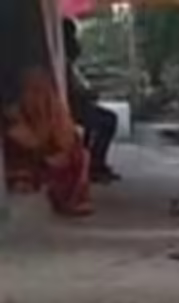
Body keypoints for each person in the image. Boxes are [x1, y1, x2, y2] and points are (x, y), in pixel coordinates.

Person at [3, 67, 92, 216]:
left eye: (40, 91)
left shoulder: (56, 112)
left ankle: (72, 199)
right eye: (32, 91)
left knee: (81, 156)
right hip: (32, 161)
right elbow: (23, 141)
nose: (36, 97)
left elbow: (67, 142)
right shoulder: (15, 114)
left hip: (50, 156)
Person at [62, 17, 120, 184]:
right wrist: (88, 93)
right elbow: (73, 90)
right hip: (74, 106)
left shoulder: (67, 63)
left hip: (78, 104)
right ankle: (95, 164)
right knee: (108, 120)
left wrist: (88, 92)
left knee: (98, 121)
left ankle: (91, 163)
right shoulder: (64, 63)